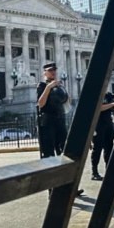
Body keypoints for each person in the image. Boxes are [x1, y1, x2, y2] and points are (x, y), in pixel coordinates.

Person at [36, 63, 83, 196]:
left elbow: (67, 103)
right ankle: (51, 189)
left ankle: (70, 187)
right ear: (45, 73)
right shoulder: (42, 86)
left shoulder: (59, 86)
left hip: (60, 121)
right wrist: (49, 87)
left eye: (54, 70)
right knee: (49, 156)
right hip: (47, 123)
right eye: (50, 71)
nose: (53, 72)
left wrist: (63, 89)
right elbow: (41, 104)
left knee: (66, 153)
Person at [91, 92, 114, 181]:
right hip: (98, 125)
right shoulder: (95, 94)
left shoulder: (108, 95)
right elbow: (100, 107)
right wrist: (113, 104)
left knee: (109, 148)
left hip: (108, 124)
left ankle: (109, 170)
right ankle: (94, 172)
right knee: (97, 148)